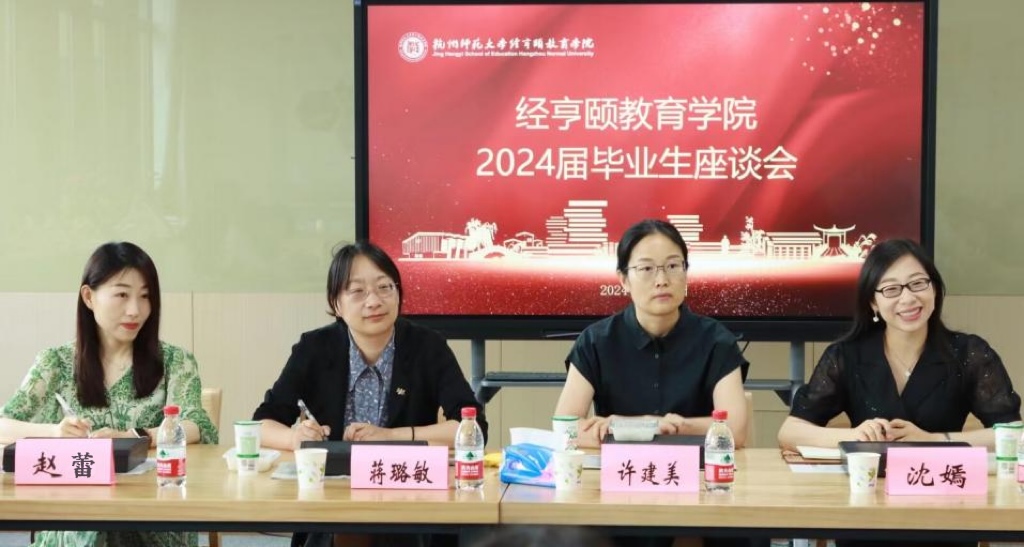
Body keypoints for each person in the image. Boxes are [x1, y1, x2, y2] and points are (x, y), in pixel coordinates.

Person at [253, 241, 487, 547]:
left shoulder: (427, 346)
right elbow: (261, 424)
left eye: (384, 287)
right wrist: (295, 438)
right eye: (358, 291)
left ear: (398, 293)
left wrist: (391, 437)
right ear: (336, 304)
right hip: (332, 501)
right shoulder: (314, 348)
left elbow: (473, 427)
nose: (374, 301)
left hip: (411, 499)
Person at [0, 242, 219, 547]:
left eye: (145, 296)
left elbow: (196, 425)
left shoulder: (175, 361)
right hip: (75, 518)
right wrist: (55, 433)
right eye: (122, 295)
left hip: (154, 516)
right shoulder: (56, 362)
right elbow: (4, 425)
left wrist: (134, 436)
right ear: (89, 297)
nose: (135, 310)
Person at [778, 238, 1021, 453]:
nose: (908, 298)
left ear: (934, 289)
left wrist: (935, 441)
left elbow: (1015, 434)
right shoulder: (846, 355)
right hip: (871, 484)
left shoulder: (970, 353)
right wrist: (855, 436)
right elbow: (790, 432)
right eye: (891, 289)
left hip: (942, 483)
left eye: (918, 283)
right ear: (873, 302)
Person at [554, 218, 750, 448]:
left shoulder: (717, 341)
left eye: (673, 266)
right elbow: (565, 429)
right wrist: (645, 426)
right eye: (646, 269)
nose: (662, 281)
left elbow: (735, 431)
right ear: (624, 280)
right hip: (619, 468)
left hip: (696, 468)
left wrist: (667, 426)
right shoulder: (595, 342)